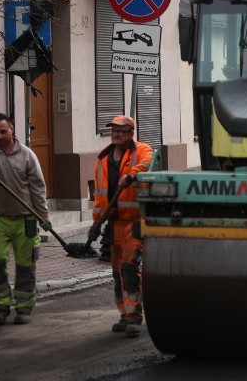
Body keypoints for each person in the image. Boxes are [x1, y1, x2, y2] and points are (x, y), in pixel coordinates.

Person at [0, 112, 51, 326]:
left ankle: (23, 308)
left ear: (12, 129)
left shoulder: (27, 155)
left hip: (26, 219)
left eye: (3, 131)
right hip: (0, 220)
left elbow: (38, 187)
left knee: (25, 267)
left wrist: (44, 215)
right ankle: (2, 306)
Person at [92, 115, 153, 337]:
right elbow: (99, 196)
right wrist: (96, 223)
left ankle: (135, 317)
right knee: (117, 271)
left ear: (130, 133)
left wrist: (132, 175)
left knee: (129, 266)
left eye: (121, 130)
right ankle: (124, 315)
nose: (116, 133)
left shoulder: (142, 150)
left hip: (138, 220)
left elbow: (147, 165)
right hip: (115, 223)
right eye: (113, 130)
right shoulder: (103, 159)